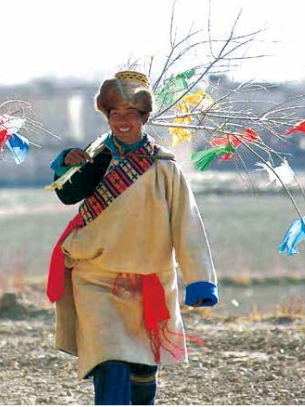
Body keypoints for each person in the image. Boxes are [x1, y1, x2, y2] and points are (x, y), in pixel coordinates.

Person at [46, 71, 219, 405]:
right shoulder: (95, 157)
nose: (122, 121)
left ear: (144, 117)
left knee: (142, 374)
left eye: (130, 113)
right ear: (107, 115)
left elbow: (187, 225)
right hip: (96, 278)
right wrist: (64, 162)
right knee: (108, 363)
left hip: (149, 282)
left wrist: (200, 281)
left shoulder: (165, 168)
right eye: (115, 113)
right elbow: (68, 193)